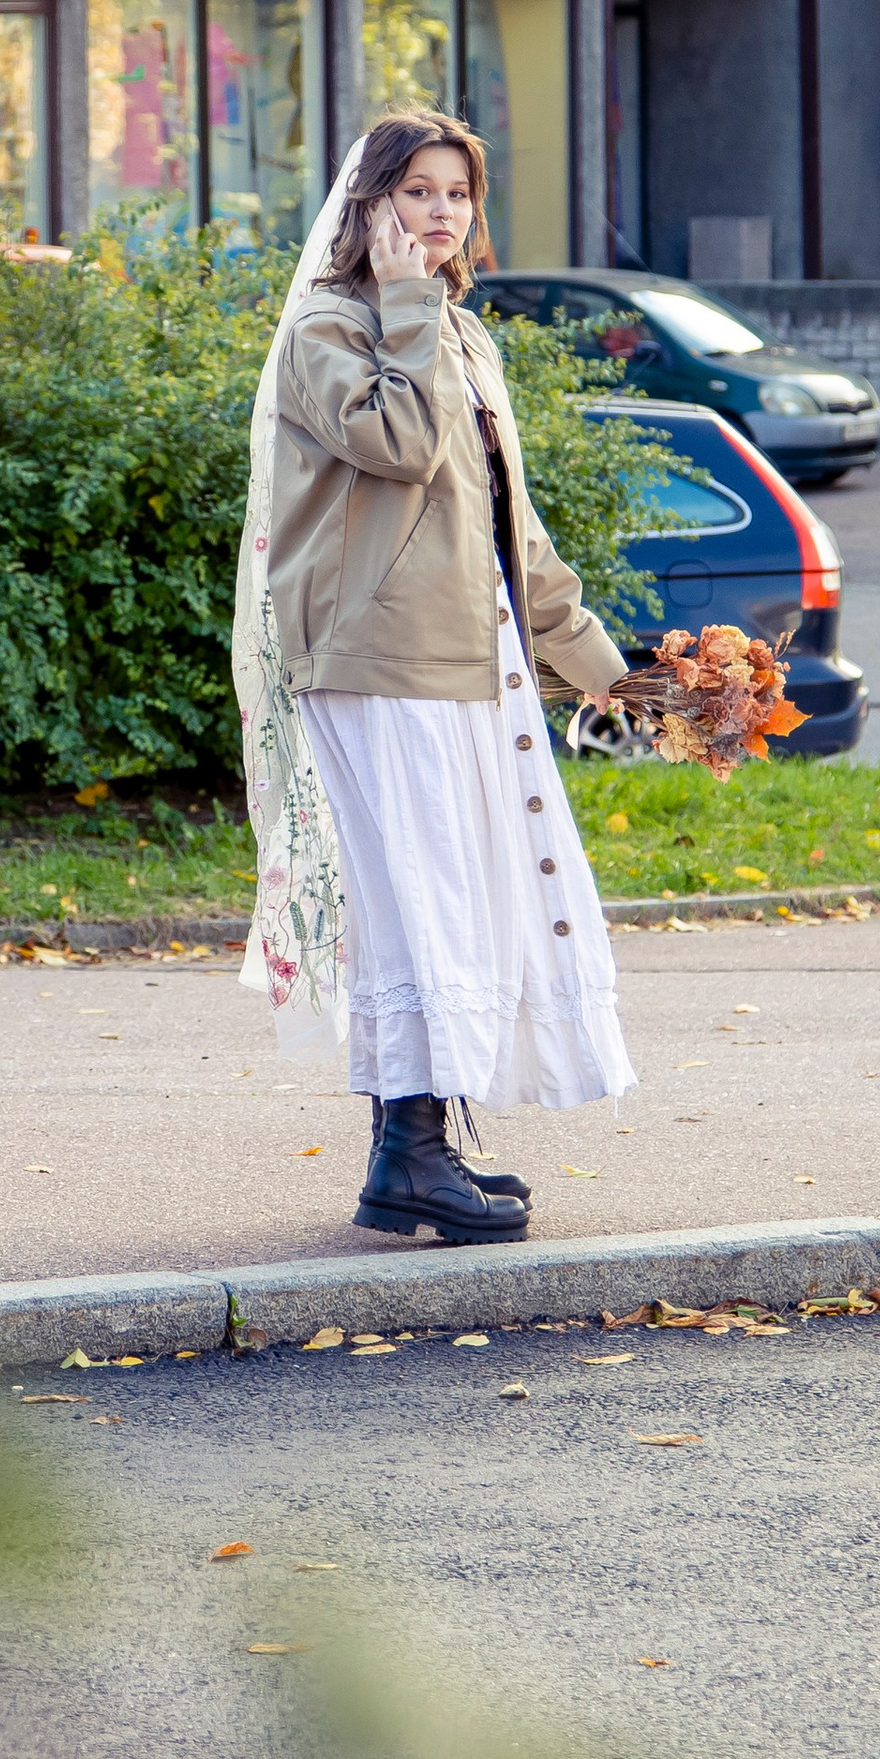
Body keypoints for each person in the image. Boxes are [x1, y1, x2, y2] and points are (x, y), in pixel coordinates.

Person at [232, 110, 661, 1247]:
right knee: (420, 899)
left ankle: (409, 1157)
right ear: (369, 203)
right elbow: (403, 446)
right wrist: (407, 300)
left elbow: (508, 528)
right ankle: (411, 1158)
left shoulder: (461, 336)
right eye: (416, 191)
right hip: (379, 659)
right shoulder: (327, 328)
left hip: (472, 657)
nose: (440, 212)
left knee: (454, 898)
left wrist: (603, 669)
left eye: (457, 194)